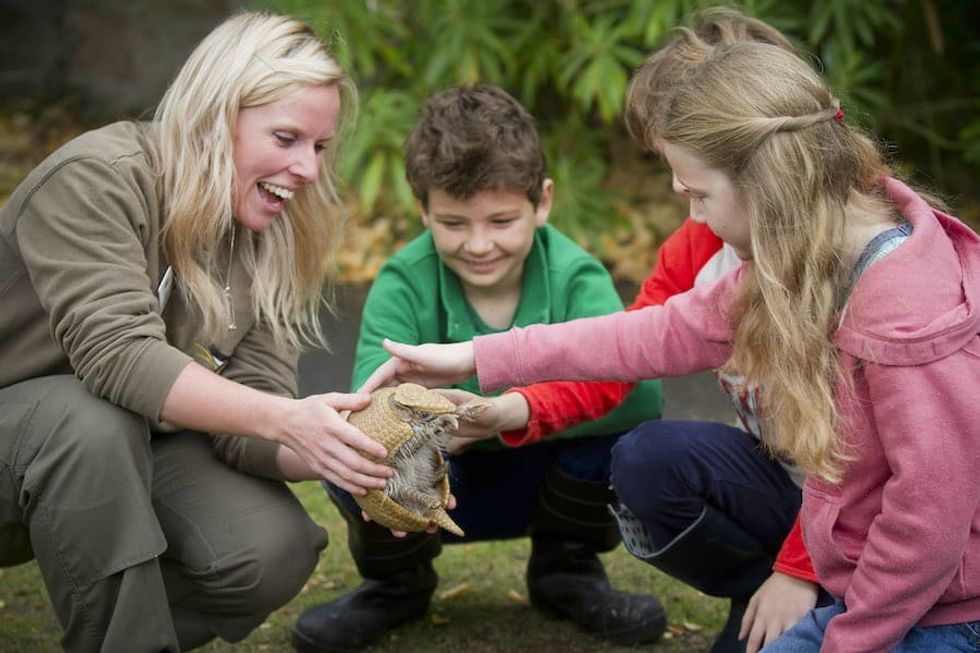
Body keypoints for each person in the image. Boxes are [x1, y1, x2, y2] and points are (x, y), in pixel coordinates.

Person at [363, 33, 980, 653]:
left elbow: (929, 520)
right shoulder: (796, 259)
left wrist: (848, 636)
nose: (696, 220)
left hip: (943, 611)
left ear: (768, 183)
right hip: (862, 576)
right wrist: (479, 357)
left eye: (699, 195)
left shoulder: (907, 316)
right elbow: (653, 333)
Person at [390, 11, 826, 653]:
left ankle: (818, 592)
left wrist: (804, 567)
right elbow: (621, 349)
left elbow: (875, 456)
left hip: (869, 512)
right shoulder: (701, 246)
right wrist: (512, 405)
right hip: (789, 487)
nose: (679, 190)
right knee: (649, 461)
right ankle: (756, 587)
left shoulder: (854, 263)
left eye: (690, 172)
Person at [0, 11, 394, 652]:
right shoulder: (98, 178)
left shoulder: (267, 229)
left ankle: (120, 628)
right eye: (287, 137)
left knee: (271, 549)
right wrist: (282, 418)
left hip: (118, 454)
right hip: (30, 443)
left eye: (319, 147)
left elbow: (256, 399)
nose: (310, 170)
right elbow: (117, 358)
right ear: (217, 113)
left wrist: (350, 452)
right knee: (88, 418)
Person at [291, 84, 668, 653]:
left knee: (626, 440)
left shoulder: (576, 275)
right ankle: (397, 586)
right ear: (422, 209)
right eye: (453, 223)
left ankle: (566, 572)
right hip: (443, 483)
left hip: (548, 479)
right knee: (350, 454)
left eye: (500, 220)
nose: (479, 244)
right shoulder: (402, 279)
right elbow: (369, 404)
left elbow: (641, 395)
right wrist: (434, 430)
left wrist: (500, 411)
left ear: (541, 202)